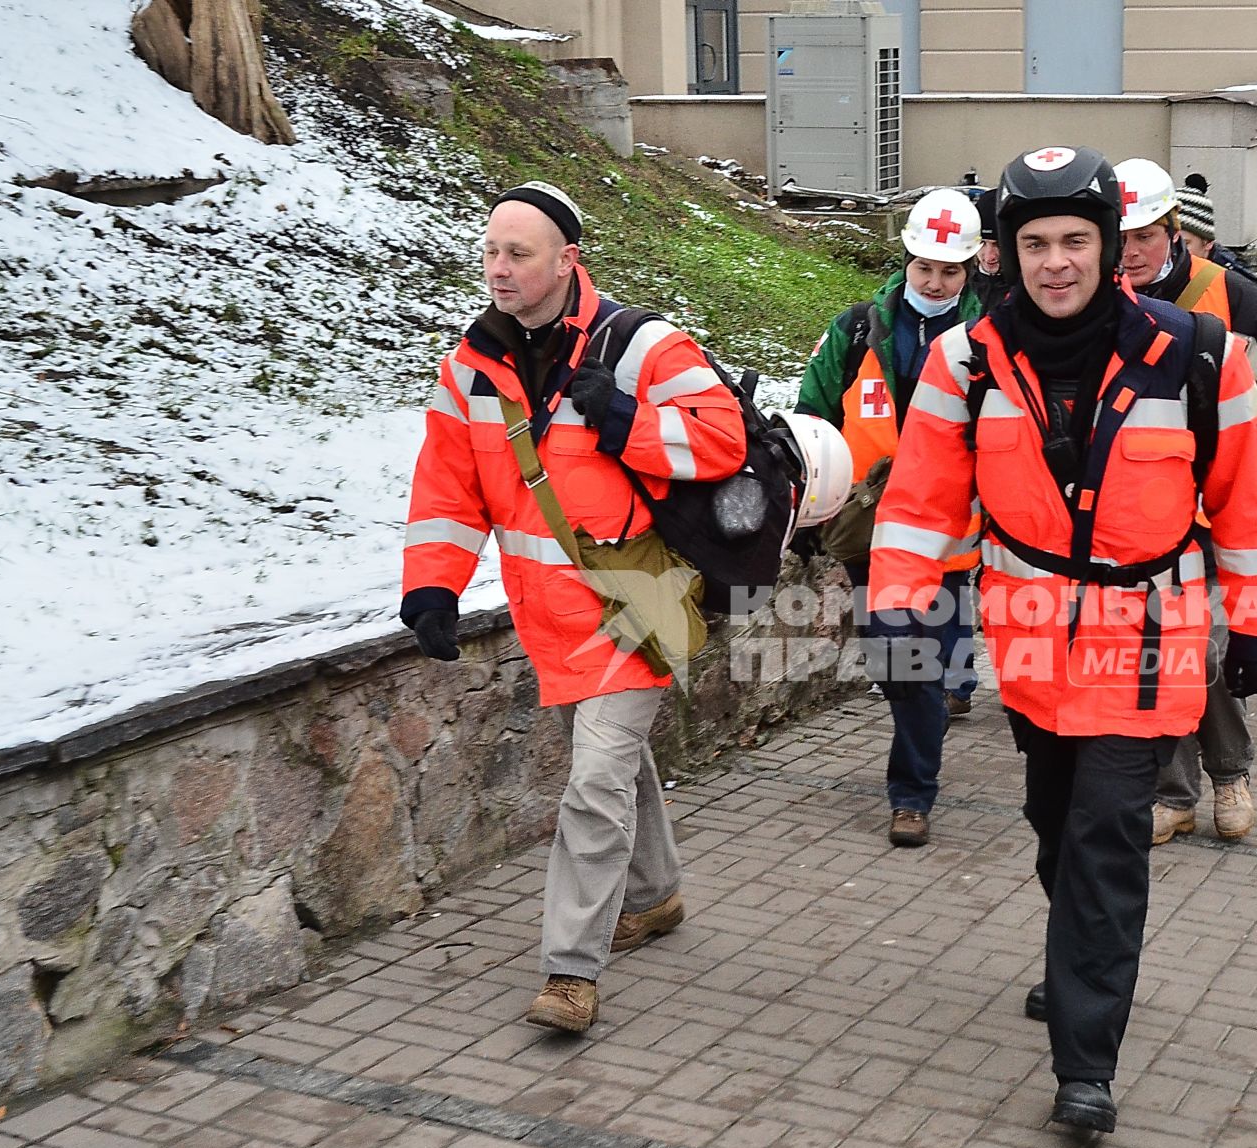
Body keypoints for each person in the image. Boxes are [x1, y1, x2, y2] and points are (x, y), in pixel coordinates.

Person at [867, 145, 1257, 1133]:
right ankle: (1078, 958)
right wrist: (899, 596)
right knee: (1054, 821)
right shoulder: (963, 362)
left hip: (1147, 642)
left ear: (1111, 248)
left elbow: (1251, 502)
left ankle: (1085, 1060)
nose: (1055, 261)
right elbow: (923, 495)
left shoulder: (1199, 356)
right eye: (1035, 243)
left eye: (1075, 240)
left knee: (1108, 836)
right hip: (1027, 646)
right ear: (1006, 255)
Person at [401, 182, 747, 1034]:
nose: (499, 268)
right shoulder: (470, 364)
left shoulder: (642, 347)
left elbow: (723, 436)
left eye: (518, 253)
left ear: (567, 260)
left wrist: (625, 417)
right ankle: (656, 894)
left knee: (594, 780)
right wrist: (433, 582)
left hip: (640, 595)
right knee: (615, 764)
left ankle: (569, 970)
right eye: (490, 251)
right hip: (549, 613)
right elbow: (448, 485)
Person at [1112, 156, 1257, 845]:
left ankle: (1226, 772)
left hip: (1228, 515)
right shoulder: (1104, 307)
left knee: (1199, 654)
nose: (1130, 252)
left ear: (1174, 231)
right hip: (1144, 518)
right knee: (1161, 652)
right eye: (1117, 239)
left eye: (1144, 235)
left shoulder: (1233, 298)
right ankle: (1176, 793)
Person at [795, 187, 986, 849]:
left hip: (953, 532)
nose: (934, 281)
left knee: (924, 659)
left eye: (950, 270)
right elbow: (812, 412)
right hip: (871, 529)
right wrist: (809, 506)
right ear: (906, 258)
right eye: (924, 266)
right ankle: (927, 721)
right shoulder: (856, 328)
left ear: (970, 271)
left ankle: (911, 795)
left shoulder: (991, 334)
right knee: (895, 660)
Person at [1172, 172, 1257, 288]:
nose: (1173, 250)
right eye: (1168, 241)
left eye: (1184, 243)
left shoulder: (1237, 287)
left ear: (1207, 243)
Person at [969, 186, 1011, 309]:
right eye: (981, 243)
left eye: (997, 244)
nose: (989, 256)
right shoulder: (960, 286)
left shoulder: (1027, 291)